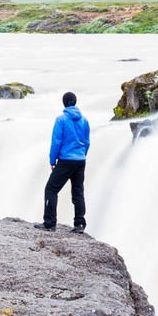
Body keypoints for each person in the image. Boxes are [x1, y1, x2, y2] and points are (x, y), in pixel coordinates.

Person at [35, 92, 90, 233]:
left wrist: (52, 160)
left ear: (64, 103)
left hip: (66, 160)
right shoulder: (84, 120)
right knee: (78, 192)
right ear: (75, 102)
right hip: (80, 160)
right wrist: (82, 155)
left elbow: (56, 142)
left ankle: (49, 223)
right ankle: (80, 224)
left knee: (51, 189)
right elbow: (87, 142)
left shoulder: (61, 120)